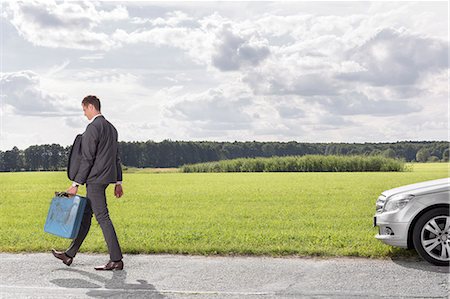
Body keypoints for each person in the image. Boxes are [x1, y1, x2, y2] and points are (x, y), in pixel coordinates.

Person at [52, 95, 124, 271]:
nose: (84, 114)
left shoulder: (93, 128)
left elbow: (87, 158)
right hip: (106, 178)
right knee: (86, 216)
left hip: (95, 179)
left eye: (84, 110)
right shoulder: (111, 128)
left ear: (91, 107)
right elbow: (116, 157)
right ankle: (69, 255)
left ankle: (116, 259)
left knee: (103, 217)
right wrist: (118, 181)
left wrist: (76, 183)